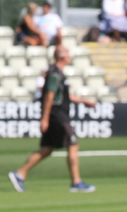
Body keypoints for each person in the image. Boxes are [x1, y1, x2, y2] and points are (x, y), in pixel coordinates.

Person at [8, 46, 97, 193]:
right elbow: (49, 95)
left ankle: (19, 174)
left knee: (47, 148)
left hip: (55, 114)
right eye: (67, 53)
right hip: (57, 114)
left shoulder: (58, 73)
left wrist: (84, 101)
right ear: (62, 56)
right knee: (73, 144)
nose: (69, 56)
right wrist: (45, 118)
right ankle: (76, 182)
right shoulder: (55, 74)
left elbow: (64, 96)